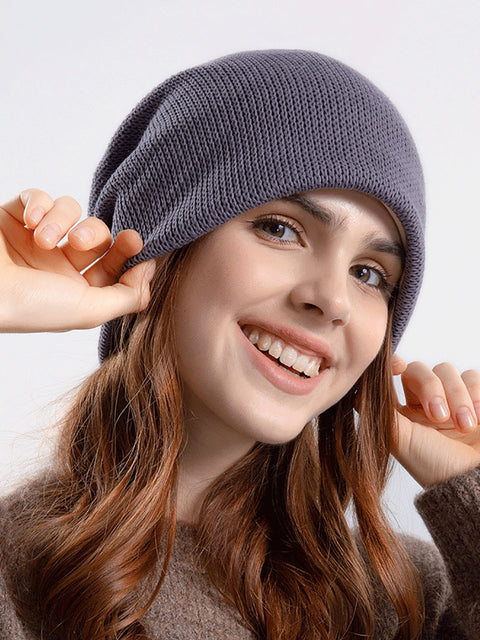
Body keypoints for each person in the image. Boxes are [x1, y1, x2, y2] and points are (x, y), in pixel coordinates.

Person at [0, 49, 479, 640]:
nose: (333, 301)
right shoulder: (12, 581)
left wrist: (475, 490)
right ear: (162, 243)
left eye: (370, 273)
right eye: (281, 229)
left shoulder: (410, 601)